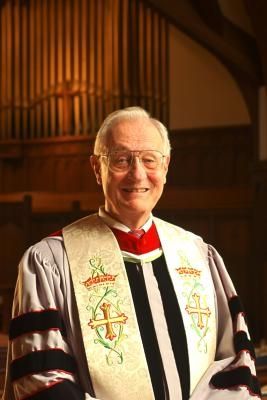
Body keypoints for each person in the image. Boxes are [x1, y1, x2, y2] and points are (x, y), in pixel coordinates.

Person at [2, 107, 261, 400]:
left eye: (149, 159)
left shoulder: (199, 255)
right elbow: (41, 378)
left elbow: (234, 363)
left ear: (166, 167)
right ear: (96, 168)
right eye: (121, 160)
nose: (137, 174)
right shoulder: (51, 262)